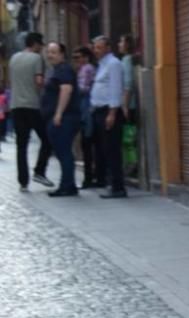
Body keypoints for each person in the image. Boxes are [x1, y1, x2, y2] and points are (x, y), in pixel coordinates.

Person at [9, 32, 54, 192]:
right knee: (47, 140)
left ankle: (23, 181)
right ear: (34, 44)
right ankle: (39, 171)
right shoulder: (36, 59)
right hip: (32, 106)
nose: (41, 47)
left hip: (16, 106)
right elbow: (39, 81)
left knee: (21, 145)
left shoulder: (14, 58)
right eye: (40, 44)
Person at [40, 42, 79, 197]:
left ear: (62, 54)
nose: (50, 55)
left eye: (54, 52)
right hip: (59, 118)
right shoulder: (56, 70)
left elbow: (66, 90)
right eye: (48, 52)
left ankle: (67, 186)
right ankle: (68, 184)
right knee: (63, 151)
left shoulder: (64, 70)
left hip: (64, 118)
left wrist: (58, 113)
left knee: (63, 152)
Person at [89, 35, 126, 198]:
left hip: (108, 112)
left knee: (112, 150)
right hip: (99, 111)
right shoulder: (102, 64)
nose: (95, 51)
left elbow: (115, 89)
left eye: (99, 47)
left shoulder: (113, 64)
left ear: (107, 48)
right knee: (105, 149)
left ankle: (118, 187)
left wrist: (112, 113)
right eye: (95, 47)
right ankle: (111, 183)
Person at [73, 46, 97, 188]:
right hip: (84, 107)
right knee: (86, 143)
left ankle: (89, 177)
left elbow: (84, 88)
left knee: (87, 142)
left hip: (87, 107)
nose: (76, 60)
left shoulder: (87, 69)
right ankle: (89, 176)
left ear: (85, 57)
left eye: (78, 57)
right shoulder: (83, 69)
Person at [118, 34, 138, 177]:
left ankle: (131, 165)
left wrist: (124, 105)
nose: (119, 44)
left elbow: (128, 84)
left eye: (121, 41)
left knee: (128, 138)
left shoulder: (126, 60)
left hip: (128, 106)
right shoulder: (125, 60)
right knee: (128, 137)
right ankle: (130, 164)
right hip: (128, 104)